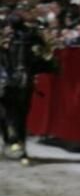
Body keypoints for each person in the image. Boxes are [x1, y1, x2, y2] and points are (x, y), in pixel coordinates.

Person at [0, 12, 57, 163]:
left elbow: (46, 50)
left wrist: (45, 57)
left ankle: (21, 145)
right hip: (5, 71)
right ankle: (10, 139)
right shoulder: (5, 35)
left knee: (22, 114)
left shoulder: (29, 35)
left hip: (23, 73)